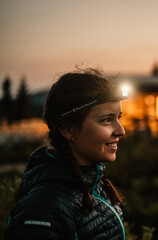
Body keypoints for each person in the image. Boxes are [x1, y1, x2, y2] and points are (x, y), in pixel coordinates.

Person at [5, 69, 127, 240]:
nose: (121, 131)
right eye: (107, 119)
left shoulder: (94, 187)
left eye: (118, 117)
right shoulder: (42, 209)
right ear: (67, 130)